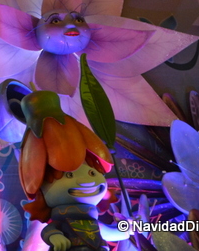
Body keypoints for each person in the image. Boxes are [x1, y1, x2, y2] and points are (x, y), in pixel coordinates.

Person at [18, 90, 130, 251]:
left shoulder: (92, 222)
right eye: (69, 175)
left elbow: (112, 233)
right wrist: (55, 236)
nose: (85, 180)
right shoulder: (62, 222)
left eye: (92, 173)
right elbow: (49, 231)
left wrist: (127, 229)